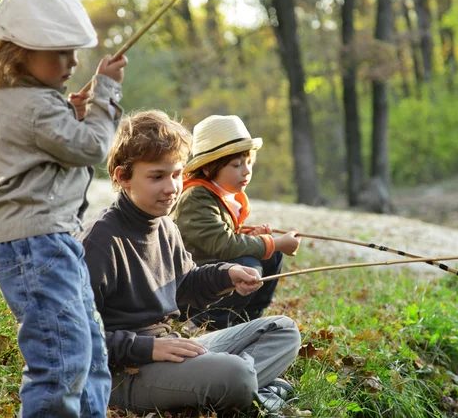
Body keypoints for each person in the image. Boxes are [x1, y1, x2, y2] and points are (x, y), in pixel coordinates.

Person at [76, 110, 301, 415]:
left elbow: (185, 284)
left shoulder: (165, 226)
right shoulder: (100, 240)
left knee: (283, 330)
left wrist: (227, 273)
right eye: (156, 176)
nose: (171, 188)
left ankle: (247, 386)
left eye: (176, 174)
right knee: (235, 374)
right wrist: (148, 348)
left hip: (170, 347)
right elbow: (76, 335)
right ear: (122, 177)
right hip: (124, 372)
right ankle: (250, 385)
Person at [0, 0, 128, 417]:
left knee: (91, 351)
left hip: (52, 239)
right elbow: (91, 148)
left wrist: (74, 111)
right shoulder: (35, 107)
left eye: (74, 51)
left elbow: (58, 142)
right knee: (63, 358)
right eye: (59, 52)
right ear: (19, 52)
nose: (74, 62)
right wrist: (105, 95)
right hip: (35, 242)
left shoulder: (29, 100)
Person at [170, 114, 301, 329]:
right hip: (189, 291)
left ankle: (244, 321)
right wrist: (274, 243)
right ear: (207, 168)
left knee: (269, 254)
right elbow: (224, 245)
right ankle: (206, 325)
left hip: (213, 274)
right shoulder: (196, 197)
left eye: (249, 162)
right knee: (249, 265)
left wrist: (255, 237)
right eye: (236, 164)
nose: (247, 170)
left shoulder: (219, 195)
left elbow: (223, 238)